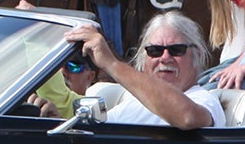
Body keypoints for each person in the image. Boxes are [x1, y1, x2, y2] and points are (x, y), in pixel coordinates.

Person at [52, 12, 224, 130]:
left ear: (197, 55)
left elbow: (188, 118)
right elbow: (97, 135)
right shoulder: (134, 103)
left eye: (176, 50)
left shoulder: (203, 99)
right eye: (155, 51)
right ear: (144, 57)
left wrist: (111, 64)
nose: (164, 58)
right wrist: (54, 119)